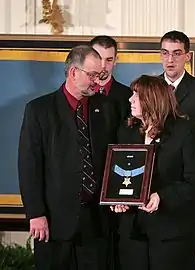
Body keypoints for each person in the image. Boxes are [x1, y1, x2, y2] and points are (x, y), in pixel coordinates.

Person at [18, 45, 119, 270]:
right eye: (92, 75)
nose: (98, 81)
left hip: (97, 222)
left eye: (100, 75)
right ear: (74, 72)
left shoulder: (106, 108)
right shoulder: (39, 110)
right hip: (55, 222)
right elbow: (29, 166)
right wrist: (36, 214)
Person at [112, 75, 195, 270]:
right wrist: (118, 200)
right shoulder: (127, 131)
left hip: (173, 234)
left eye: (136, 95)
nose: (130, 100)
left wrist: (161, 197)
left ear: (152, 99)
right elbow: (122, 176)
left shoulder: (185, 132)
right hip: (134, 232)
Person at [159, 30, 195, 153]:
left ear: (187, 56)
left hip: (187, 165)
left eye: (177, 53)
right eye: (165, 53)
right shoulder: (149, 89)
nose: (170, 59)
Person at [89, 35, 131, 121]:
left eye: (109, 60)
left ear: (115, 60)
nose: (103, 66)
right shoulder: (77, 93)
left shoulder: (129, 97)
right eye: (99, 58)